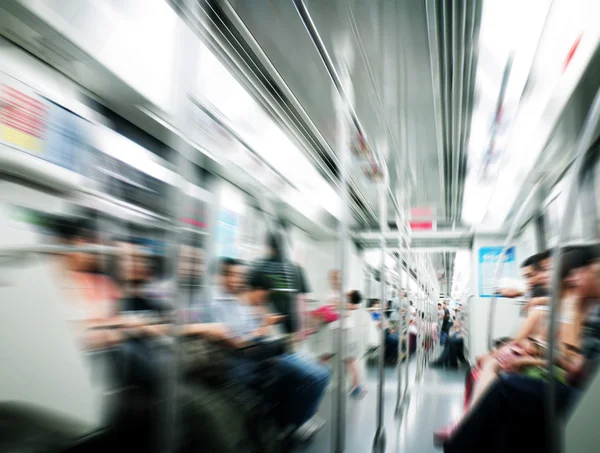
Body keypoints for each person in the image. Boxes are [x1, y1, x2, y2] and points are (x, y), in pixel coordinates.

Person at [442, 244, 600, 453]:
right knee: (485, 367)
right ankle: (469, 423)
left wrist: (530, 355)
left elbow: (572, 364)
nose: (574, 280)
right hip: (561, 369)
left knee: (506, 385)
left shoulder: (574, 308)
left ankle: (463, 436)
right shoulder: (571, 306)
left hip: (577, 388)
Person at [210, 257, 331, 433]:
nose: (237, 279)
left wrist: (261, 325)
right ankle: (293, 423)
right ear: (222, 276)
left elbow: (253, 331)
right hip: (243, 358)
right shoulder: (216, 304)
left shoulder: (239, 303)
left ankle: (301, 417)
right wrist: (256, 333)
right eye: (232, 274)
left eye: (240, 275)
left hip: (260, 350)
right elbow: (231, 339)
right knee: (310, 377)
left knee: (324, 372)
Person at [250, 232, 311, 335]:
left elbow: (252, 299)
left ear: (268, 247)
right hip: (290, 325)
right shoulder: (296, 269)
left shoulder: (258, 267)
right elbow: (302, 302)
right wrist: (302, 328)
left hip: (265, 326)